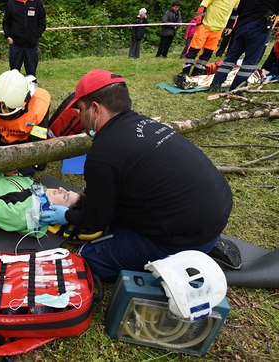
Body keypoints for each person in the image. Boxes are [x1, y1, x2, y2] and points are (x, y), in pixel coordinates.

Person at [39, 69, 233, 281]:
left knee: (89, 259)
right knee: (118, 222)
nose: (79, 116)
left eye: (80, 109)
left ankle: (186, 257)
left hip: (187, 235)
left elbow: (94, 221)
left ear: (95, 109)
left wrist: (66, 215)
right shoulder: (145, 123)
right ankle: (201, 246)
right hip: (212, 212)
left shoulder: (103, 153)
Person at [0, 69, 50, 175]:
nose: (4, 117)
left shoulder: (39, 105)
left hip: (26, 141)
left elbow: (37, 143)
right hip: (2, 142)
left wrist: (22, 172)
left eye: (9, 112)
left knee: (40, 164)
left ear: (25, 102)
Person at [209, 0, 279, 92]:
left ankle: (215, 84)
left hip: (242, 26)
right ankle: (236, 89)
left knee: (230, 59)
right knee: (249, 63)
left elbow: (239, 10)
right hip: (260, 27)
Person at [178, 0, 240, 78]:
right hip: (205, 27)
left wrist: (230, 26)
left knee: (208, 52)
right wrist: (199, 22)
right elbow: (202, 7)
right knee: (194, 50)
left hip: (218, 30)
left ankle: (196, 74)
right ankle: (185, 73)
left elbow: (234, 13)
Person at [2, 0, 46, 77]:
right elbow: (6, 22)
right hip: (15, 44)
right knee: (14, 72)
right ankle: (14, 88)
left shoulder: (37, 2)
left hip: (31, 45)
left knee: (31, 73)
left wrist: (36, 35)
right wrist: (8, 36)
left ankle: (32, 87)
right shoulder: (11, 3)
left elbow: (42, 21)